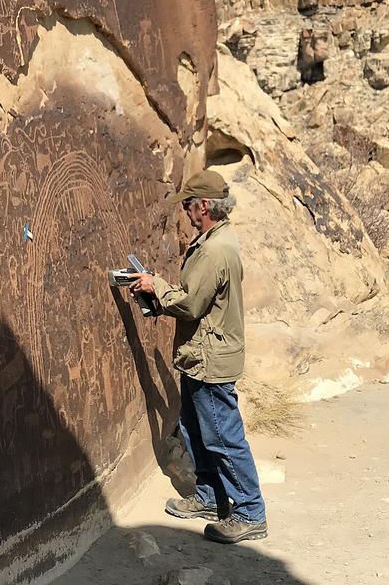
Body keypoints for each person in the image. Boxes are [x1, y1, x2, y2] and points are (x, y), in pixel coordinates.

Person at [128, 169, 268, 544]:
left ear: (204, 205)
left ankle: (250, 511)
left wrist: (154, 286)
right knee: (194, 428)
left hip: (211, 358)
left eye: (189, 205)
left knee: (223, 436)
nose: (186, 212)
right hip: (201, 355)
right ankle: (209, 496)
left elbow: (190, 304)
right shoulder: (215, 240)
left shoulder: (215, 250)